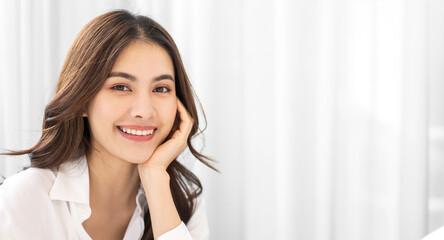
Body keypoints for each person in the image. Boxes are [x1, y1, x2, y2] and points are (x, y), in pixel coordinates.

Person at [0, 10, 215, 240]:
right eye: (121, 87)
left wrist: (156, 180)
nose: (144, 111)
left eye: (161, 89)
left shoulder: (183, 203)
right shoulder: (24, 199)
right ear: (83, 99)